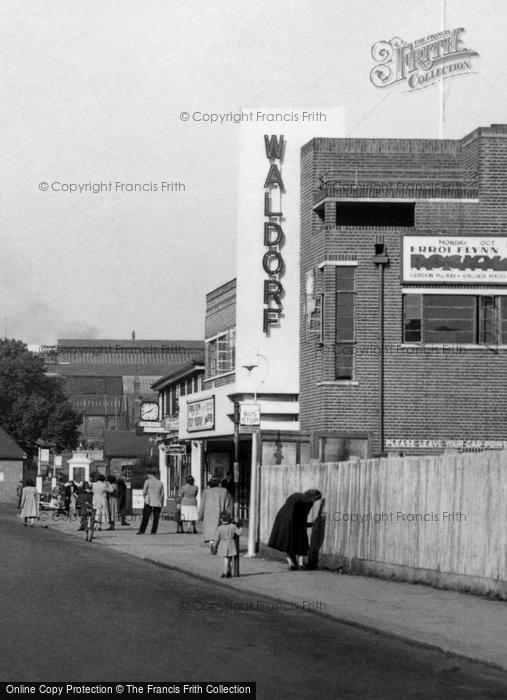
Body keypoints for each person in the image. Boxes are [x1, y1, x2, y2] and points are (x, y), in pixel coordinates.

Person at [268, 489, 322, 570]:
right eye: (315, 499)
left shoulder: (296, 495)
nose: (315, 501)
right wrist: (308, 524)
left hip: (282, 519)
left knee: (287, 542)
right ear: (313, 497)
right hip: (294, 521)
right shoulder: (308, 502)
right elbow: (303, 515)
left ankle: (291, 563)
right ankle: (300, 564)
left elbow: (288, 505)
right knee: (302, 540)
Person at [198, 476, 232, 545]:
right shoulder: (224, 491)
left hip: (208, 514)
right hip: (220, 513)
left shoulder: (206, 491)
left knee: (210, 531)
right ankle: (217, 543)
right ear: (219, 483)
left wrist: (200, 515)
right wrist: (229, 514)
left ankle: (212, 543)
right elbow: (227, 504)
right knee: (220, 530)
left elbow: (202, 504)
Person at [212, 510, 242, 578]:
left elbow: (217, 539)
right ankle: (230, 572)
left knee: (226, 559)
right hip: (231, 543)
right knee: (231, 559)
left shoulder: (220, 528)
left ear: (221, 519)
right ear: (229, 519)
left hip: (224, 544)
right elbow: (239, 533)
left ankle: (225, 573)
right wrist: (240, 526)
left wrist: (214, 546)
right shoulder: (233, 526)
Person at [137, 469, 165, 535]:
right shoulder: (160, 482)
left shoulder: (147, 481)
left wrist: (145, 497)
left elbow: (144, 491)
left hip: (149, 502)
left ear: (151, 475)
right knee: (156, 518)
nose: (147, 476)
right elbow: (162, 494)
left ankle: (142, 531)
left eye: (148, 475)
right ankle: (153, 531)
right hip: (158, 502)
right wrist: (162, 503)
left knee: (145, 517)